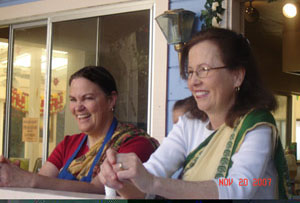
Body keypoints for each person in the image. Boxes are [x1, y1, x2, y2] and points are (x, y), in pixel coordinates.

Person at [98, 28, 290, 199]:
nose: (193, 82)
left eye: (204, 70)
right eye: (190, 72)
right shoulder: (189, 123)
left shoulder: (257, 126)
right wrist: (120, 175)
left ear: (237, 76)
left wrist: (153, 183)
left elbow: (239, 187)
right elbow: (147, 178)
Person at [0, 66, 159, 194]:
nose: (78, 107)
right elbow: (42, 182)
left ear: (111, 100)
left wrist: (29, 179)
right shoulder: (69, 144)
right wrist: (14, 174)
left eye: (88, 98)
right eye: (73, 100)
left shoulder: (134, 143)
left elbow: (99, 189)